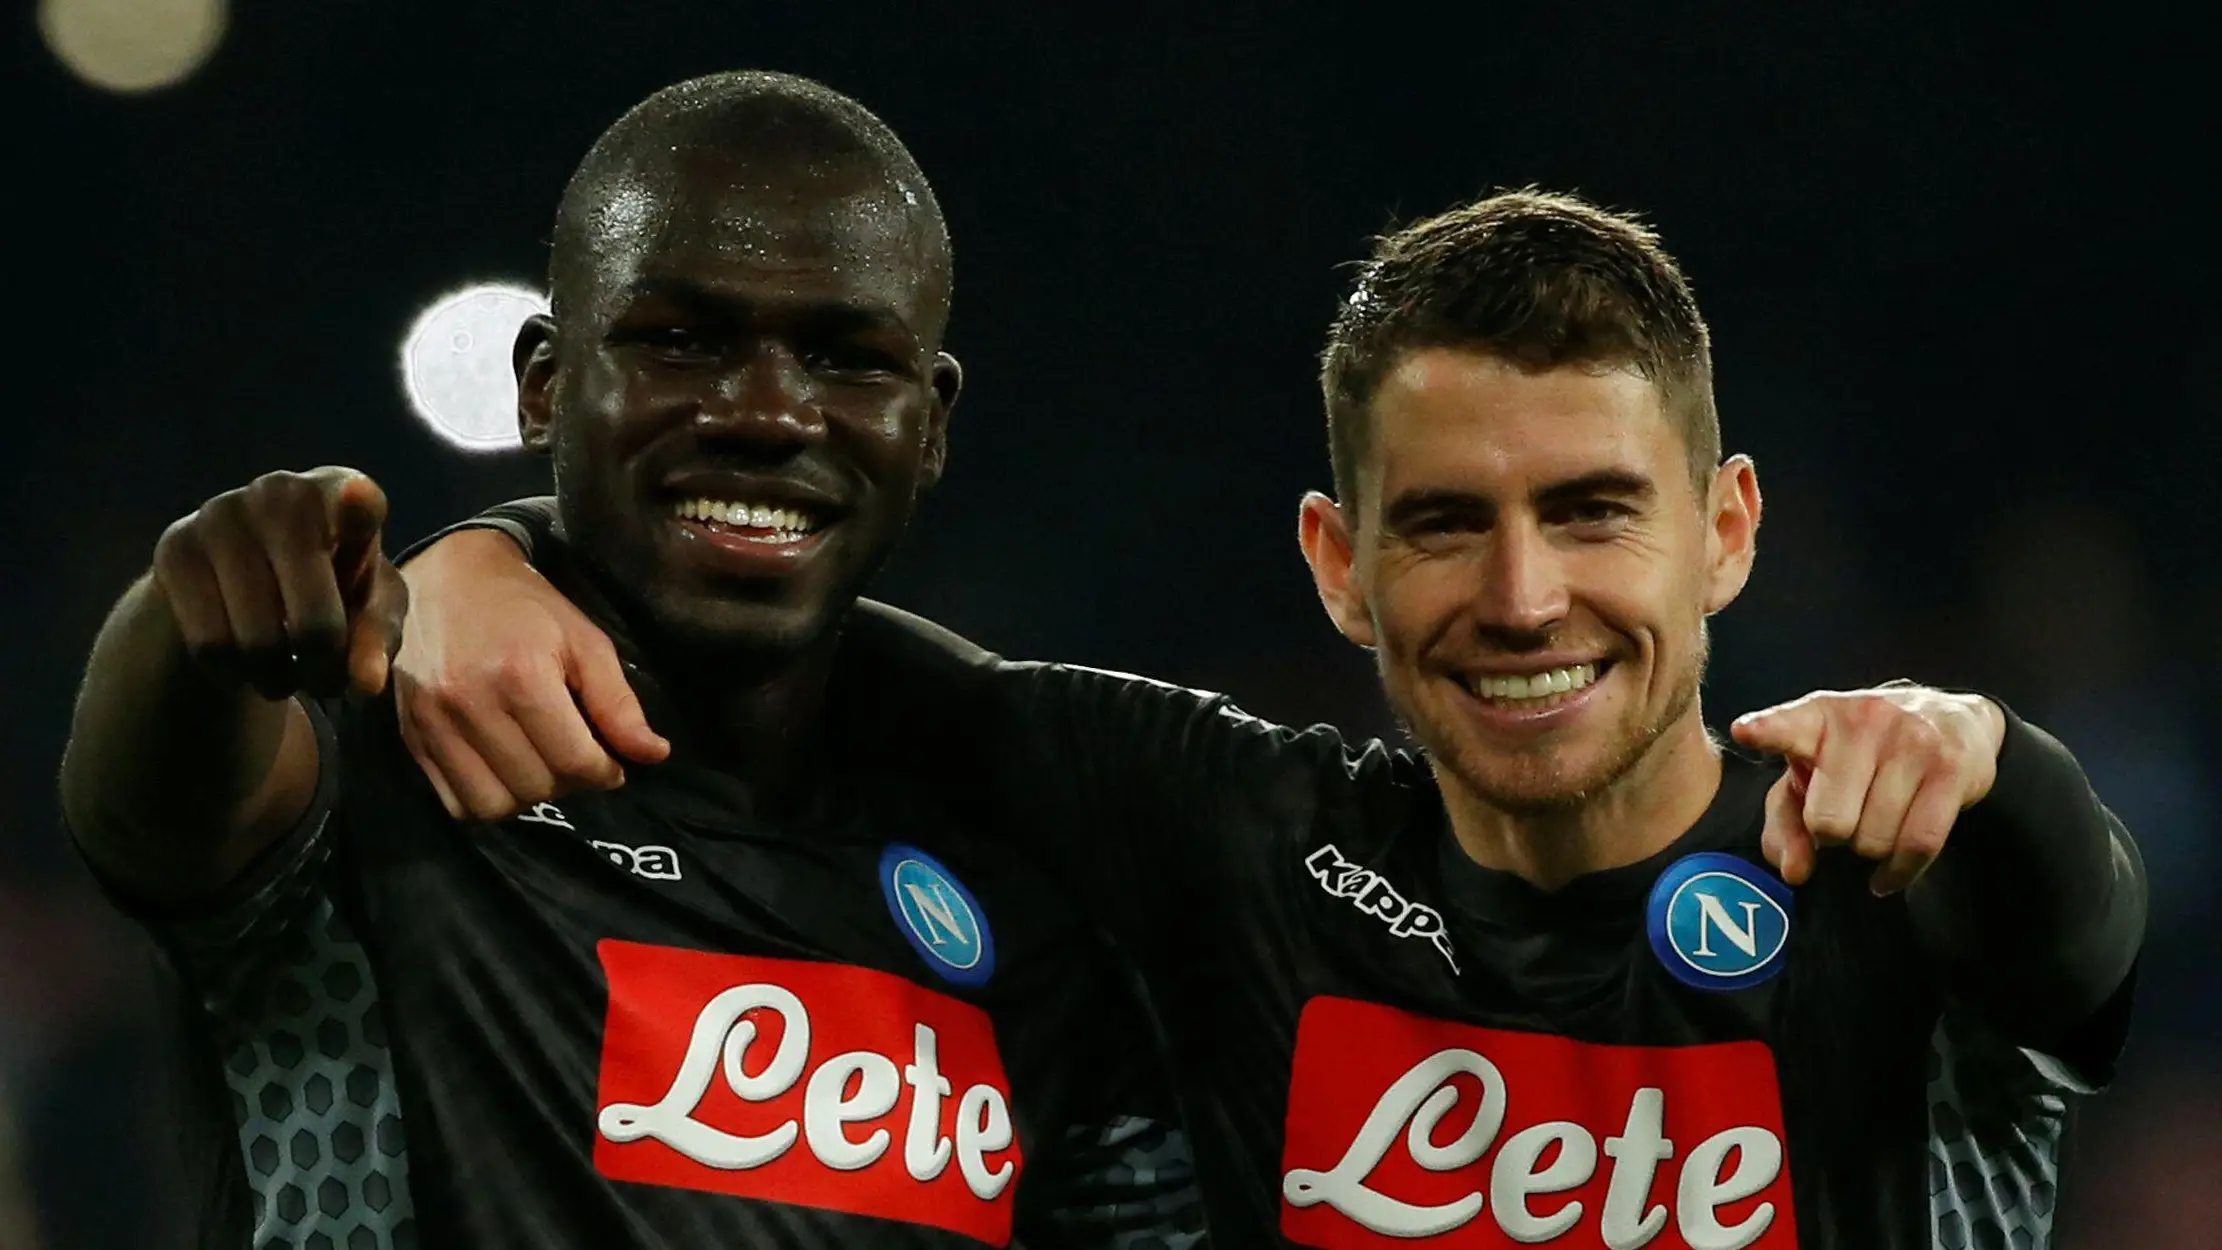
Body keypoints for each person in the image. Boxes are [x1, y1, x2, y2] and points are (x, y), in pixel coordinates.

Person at [398, 189, 2147, 1249]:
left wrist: (1984, 752)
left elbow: (2077, 935)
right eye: (1446, 523)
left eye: (1594, 511)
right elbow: (812, 642)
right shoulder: (1242, 844)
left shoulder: (1863, 870)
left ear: (1729, 531)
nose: (1523, 596)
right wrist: (497, 548)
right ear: (1336, 562)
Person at [57, 72, 1201, 1250]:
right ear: (544, 385)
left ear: (933, 423)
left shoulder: (1031, 855)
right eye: (681, 341)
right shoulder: (381, 735)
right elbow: (157, 797)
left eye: (847, 358)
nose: (766, 412)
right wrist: (196, 610)